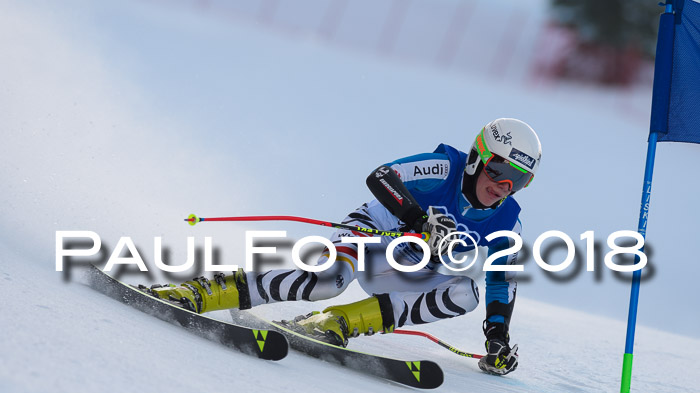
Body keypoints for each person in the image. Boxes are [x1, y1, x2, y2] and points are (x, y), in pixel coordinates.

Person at [148, 118, 541, 376]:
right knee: (329, 278)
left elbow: (500, 279)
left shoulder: (508, 220)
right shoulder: (445, 167)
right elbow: (382, 176)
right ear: (477, 159)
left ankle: (334, 323)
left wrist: (497, 337)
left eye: (517, 181)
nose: (502, 188)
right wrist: (419, 220)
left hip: (408, 269)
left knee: (465, 293)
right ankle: (200, 291)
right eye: (499, 172)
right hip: (372, 235)